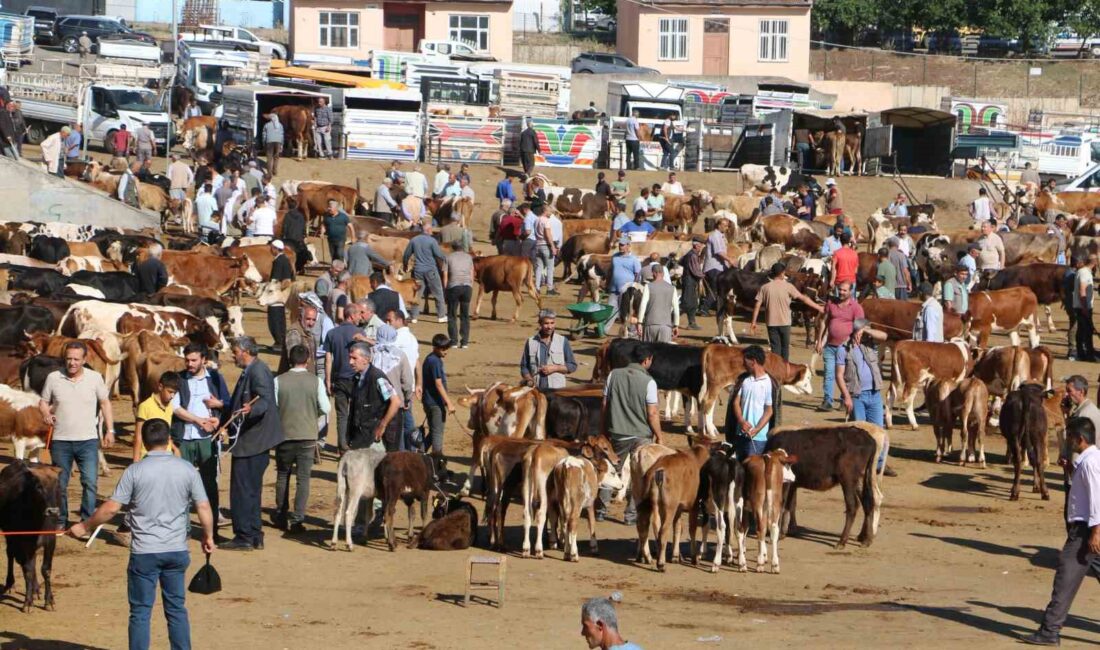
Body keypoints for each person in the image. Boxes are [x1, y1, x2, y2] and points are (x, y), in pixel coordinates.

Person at [69, 419, 215, 650]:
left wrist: (84, 526)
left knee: (140, 612)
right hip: (176, 550)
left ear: (144, 444)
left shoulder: (135, 471)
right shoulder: (186, 468)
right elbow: (204, 507)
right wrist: (208, 536)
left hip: (145, 552)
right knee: (176, 609)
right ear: (169, 441)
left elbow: (111, 508)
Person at [1018, 417, 1100, 646]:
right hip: (1088, 529)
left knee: (1065, 578)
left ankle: (1049, 631)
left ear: (1080, 439)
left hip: (1086, 531)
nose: (1069, 442)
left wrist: (1096, 532)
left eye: (1071, 438)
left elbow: (1097, 499)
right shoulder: (1091, 460)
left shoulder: (1091, 463)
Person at [220, 336, 283, 551]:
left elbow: (264, 401)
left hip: (252, 442)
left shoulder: (258, 371)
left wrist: (250, 410)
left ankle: (244, 536)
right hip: (254, 441)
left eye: (235, 351)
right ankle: (254, 534)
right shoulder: (253, 369)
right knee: (252, 490)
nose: (232, 355)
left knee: (242, 490)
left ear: (245, 351)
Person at [597, 344, 662, 523]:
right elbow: (652, 413)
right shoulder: (649, 382)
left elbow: (604, 405)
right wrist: (659, 434)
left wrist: (603, 429)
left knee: (611, 469)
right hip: (642, 435)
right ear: (647, 360)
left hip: (618, 432)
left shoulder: (613, 375)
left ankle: (601, 510)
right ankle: (631, 514)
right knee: (639, 474)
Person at [170, 342, 229, 534]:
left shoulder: (216, 379)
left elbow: (227, 404)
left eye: (194, 360)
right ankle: (183, 529)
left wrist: (216, 419)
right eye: (187, 360)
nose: (190, 364)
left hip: (207, 440)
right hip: (184, 438)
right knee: (182, 485)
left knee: (210, 484)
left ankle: (211, 529)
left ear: (204, 360)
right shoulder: (179, 379)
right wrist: (199, 421)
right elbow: (175, 407)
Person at [273, 344, 329, 531]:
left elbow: (273, 406)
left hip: (284, 434)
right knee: (303, 478)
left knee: (282, 475)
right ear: (308, 360)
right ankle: (297, 519)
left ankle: (280, 514)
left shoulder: (279, 380)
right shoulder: (316, 381)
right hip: (307, 435)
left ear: (290, 359)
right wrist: (313, 414)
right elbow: (326, 408)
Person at [751, 263, 824, 361]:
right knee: (785, 349)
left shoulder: (765, 287)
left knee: (775, 349)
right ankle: (784, 369)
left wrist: (753, 322)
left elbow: (757, 305)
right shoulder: (788, 286)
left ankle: (776, 371)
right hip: (785, 323)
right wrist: (818, 307)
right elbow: (804, 298)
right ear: (782, 273)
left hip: (771, 323)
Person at [816, 281, 864, 412]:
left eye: (845, 290)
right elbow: (823, 322)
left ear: (851, 292)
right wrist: (819, 340)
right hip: (830, 346)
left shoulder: (856, 307)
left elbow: (860, 327)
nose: (841, 292)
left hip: (846, 348)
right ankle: (827, 401)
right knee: (829, 374)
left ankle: (844, 400)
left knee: (846, 376)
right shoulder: (831, 304)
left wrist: (856, 338)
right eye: (840, 290)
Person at [346, 341, 402, 450]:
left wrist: (382, 425)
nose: (350, 362)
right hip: (363, 432)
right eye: (350, 357)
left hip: (378, 435)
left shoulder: (377, 378)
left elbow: (395, 402)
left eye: (354, 358)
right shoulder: (357, 378)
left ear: (366, 359)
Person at [324, 303, 364, 452]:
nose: (360, 316)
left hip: (338, 379)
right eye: (359, 313)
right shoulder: (360, 333)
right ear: (351, 315)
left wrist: (328, 381)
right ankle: (352, 442)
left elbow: (328, 359)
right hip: (356, 379)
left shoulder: (332, 333)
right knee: (356, 412)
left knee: (342, 414)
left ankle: (342, 445)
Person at [836, 318, 888, 430]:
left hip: (874, 394)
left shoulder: (869, 344)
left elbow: (884, 336)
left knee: (878, 431)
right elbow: (839, 375)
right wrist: (846, 397)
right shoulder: (843, 349)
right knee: (860, 432)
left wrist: (867, 330)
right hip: (856, 396)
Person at [370, 325, 415, 451]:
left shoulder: (371, 353)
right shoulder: (400, 355)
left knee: (374, 440)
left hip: (374, 405)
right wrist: (406, 399)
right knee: (394, 443)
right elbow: (407, 382)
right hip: (395, 407)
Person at [729, 345, 775, 458]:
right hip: (740, 434)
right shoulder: (744, 380)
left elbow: (769, 410)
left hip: (758, 439)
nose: (743, 364)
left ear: (753, 361)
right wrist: (741, 421)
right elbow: (736, 402)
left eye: (745, 361)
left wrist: (757, 429)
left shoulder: (768, 383)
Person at [402, 222, 448, 323]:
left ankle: (414, 317)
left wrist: (405, 265)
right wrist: (446, 260)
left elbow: (406, 255)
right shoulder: (432, 241)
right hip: (431, 270)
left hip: (417, 271)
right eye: (431, 229)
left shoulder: (414, 240)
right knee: (438, 292)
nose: (432, 231)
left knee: (417, 294)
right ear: (428, 230)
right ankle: (441, 316)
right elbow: (439, 254)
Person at [520, 310, 577, 389]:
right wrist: (529, 380)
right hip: (536, 390)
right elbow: (524, 367)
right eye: (546, 323)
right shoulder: (531, 342)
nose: (550, 327)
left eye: (552, 323)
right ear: (540, 323)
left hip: (557, 392)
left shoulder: (563, 341)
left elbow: (572, 366)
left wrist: (555, 368)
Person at [420, 333, 455, 460]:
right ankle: (436, 460)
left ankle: (418, 452)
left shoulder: (431, 358)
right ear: (435, 347)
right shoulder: (434, 361)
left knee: (434, 429)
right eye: (443, 349)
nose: (446, 351)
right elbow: (439, 384)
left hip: (430, 401)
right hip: (434, 403)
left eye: (447, 348)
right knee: (438, 433)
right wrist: (449, 403)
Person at [133, 372, 179, 463]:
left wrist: (175, 449)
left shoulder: (170, 406)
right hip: (148, 457)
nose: (172, 396)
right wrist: (135, 461)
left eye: (175, 393)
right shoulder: (145, 406)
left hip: (166, 457)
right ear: (160, 387)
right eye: (170, 392)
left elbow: (167, 434)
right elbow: (138, 435)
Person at [444, 239, 474, 348]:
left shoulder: (448, 257)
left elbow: (445, 275)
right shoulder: (468, 257)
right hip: (467, 287)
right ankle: (465, 342)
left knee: (452, 315)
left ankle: (453, 341)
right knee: (465, 315)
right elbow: (471, 273)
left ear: (453, 247)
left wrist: (445, 289)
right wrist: (471, 286)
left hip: (454, 286)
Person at [266, 240, 295, 353]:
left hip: (276, 295)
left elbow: (276, 279)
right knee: (279, 318)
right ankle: (279, 341)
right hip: (280, 295)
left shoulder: (279, 261)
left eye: (271, 248)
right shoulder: (284, 259)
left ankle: (279, 342)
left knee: (275, 319)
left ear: (275, 248)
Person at [639, 264, 679, 343]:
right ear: (663, 273)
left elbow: (643, 305)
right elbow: (676, 309)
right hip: (666, 326)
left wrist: (639, 322)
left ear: (653, 273)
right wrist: (676, 325)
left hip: (650, 324)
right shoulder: (672, 288)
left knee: (648, 352)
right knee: (663, 354)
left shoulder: (648, 286)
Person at [607, 238, 642, 328]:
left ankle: (631, 331)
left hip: (627, 291)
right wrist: (607, 283)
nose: (620, 247)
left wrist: (634, 288)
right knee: (610, 310)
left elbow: (638, 274)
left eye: (622, 245)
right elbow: (611, 271)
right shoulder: (614, 257)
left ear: (628, 246)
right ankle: (604, 330)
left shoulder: (634, 259)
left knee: (627, 312)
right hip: (614, 289)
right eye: (620, 245)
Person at [281, 303, 320, 374]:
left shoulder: (308, 332)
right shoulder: (294, 333)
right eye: (308, 319)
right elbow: (294, 359)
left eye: (314, 320)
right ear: (301, 317)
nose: (311, 323)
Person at [679, 236, 706, 330]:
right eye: (701, 246)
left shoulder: (689, 254)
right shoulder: (693, 256)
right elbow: (696, 271)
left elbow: (680, 261)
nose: (702, 248)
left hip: (688, 281)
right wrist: (703, 275)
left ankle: (692, 322)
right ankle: (671, 320)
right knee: (687, 303)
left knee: (691, 303)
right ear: (697, 246)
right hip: (690, 281)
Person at [1074, 255, 1096, 362]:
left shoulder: (1084, 272)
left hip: (1083, 306)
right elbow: (1082, 290)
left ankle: (1082, 353)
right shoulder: (1085, 273)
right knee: (1087, 331)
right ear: (1094, 263)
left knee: (1082, 330)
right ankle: (1088, 355)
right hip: (1083, 306)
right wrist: (1084, 307)